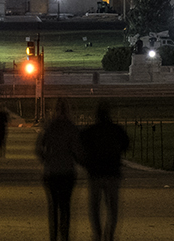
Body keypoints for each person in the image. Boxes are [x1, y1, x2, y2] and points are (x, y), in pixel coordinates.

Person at [79, 102, 129, 241]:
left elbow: (80, 146)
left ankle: (98, 234)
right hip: (112, 172)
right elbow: (126, 145)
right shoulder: (116, 130)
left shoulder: (90, 131)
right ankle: (110, 234)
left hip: (95, 173)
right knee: (112, 208)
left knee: (95, 207)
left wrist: (86, 162)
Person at [37, 98, 83, 241]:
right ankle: (65, 236)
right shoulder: (71, 127)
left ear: (56, 110)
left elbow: (39, 147)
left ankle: (54, 236)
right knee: (65, 207)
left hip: (52, 171)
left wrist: (46, 159)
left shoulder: (50, 126)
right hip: (67, 171)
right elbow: (77, 151)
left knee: (53, 207)